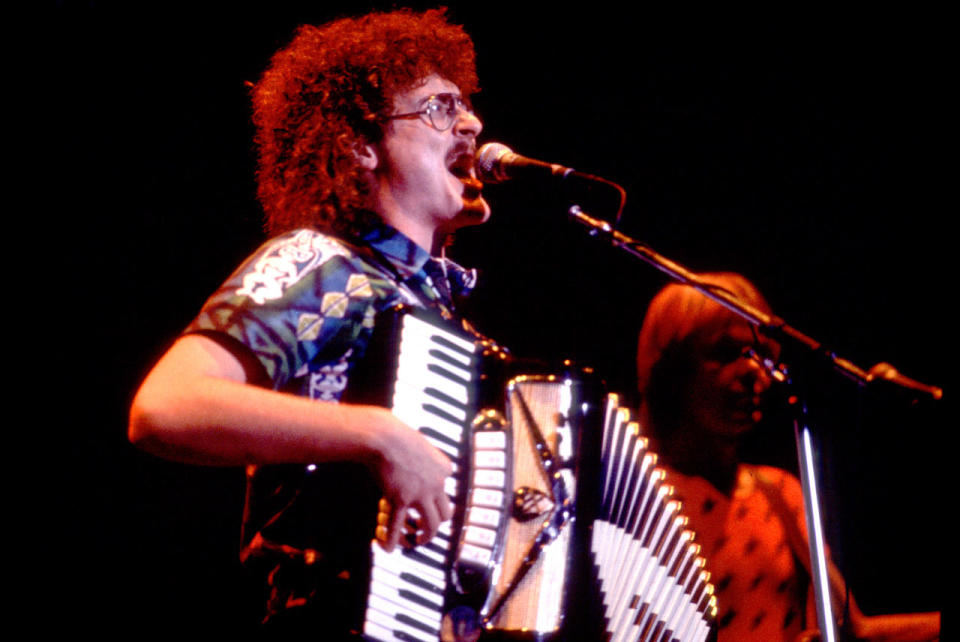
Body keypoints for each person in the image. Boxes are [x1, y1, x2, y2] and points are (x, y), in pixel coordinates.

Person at [128, 8, 491, 635]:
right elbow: (167, 406)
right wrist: (381, 435)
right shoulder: (323, 263)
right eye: (438, 107)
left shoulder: (434, 308)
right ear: (360, 146)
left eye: (465, 104)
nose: (473, 124)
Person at [635, 272, 940, 641]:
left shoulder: (777, 493)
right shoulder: (636, 497)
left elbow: (851, 630)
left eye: (761, 355)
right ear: (669, 369)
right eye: (725, 352)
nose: (752, 371)